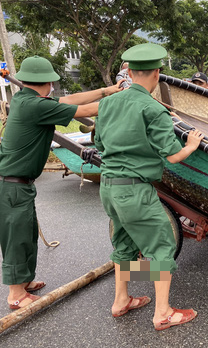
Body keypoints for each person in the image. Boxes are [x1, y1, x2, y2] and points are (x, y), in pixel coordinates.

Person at [94, 43, 204, 331]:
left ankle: (121, 300)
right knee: (161, 248)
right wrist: (191, 144)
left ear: (129, 72)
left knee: (124, 244)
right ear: (157, 74)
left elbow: (99, 144)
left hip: (109, 188)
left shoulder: (107, 103)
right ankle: (163, 313)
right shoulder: (153, 109)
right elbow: (172, 155)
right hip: (134, 191)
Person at [0, 56, 124, 309]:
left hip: (17, 182)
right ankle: (15, 294)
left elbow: (68, 100)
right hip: (12, 183)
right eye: (52, 83)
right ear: (46, 83)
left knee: (27, 232)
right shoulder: (35, 106)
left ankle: (23, 282)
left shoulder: (27, 99)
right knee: (17, 236)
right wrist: (127, 98)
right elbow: (85, 110)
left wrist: (107, 91)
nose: (54, 88)